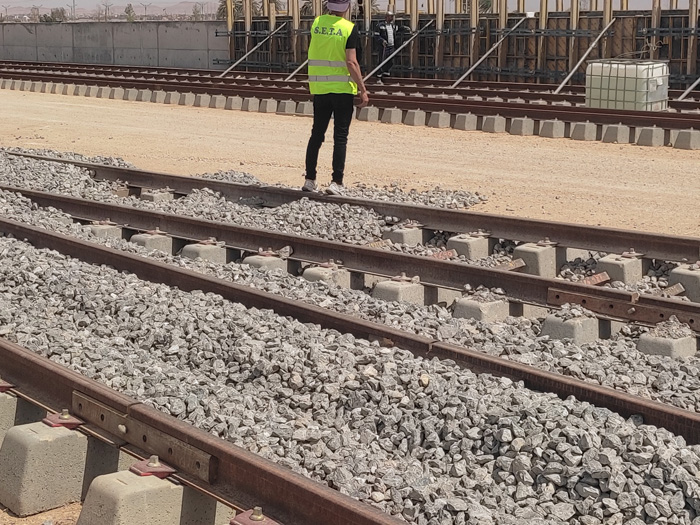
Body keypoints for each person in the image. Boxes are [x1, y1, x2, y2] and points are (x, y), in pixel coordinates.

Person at [302, 0, 369, 196]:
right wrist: (362, 89)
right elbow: (351, 62)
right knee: (340, 137)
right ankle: (336, 182)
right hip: (342, 91)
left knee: (317, 134)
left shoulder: (316, 24)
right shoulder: (349, 28)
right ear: (346, 7)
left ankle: (310, 179)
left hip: (320, 89)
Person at [374, 10, 408, 82]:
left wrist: (406, 28)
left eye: (392, 16)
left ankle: (386, 75)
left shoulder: (393, 26)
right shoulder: (380, 26)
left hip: (391, 46)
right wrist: (382, 41)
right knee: (382, 61)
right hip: (384, 47)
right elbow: (376, 36)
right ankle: (378, 76)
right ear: (386, 17)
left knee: (390, 61)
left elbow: (399, 30)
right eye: (390, 16)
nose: (392, 18)